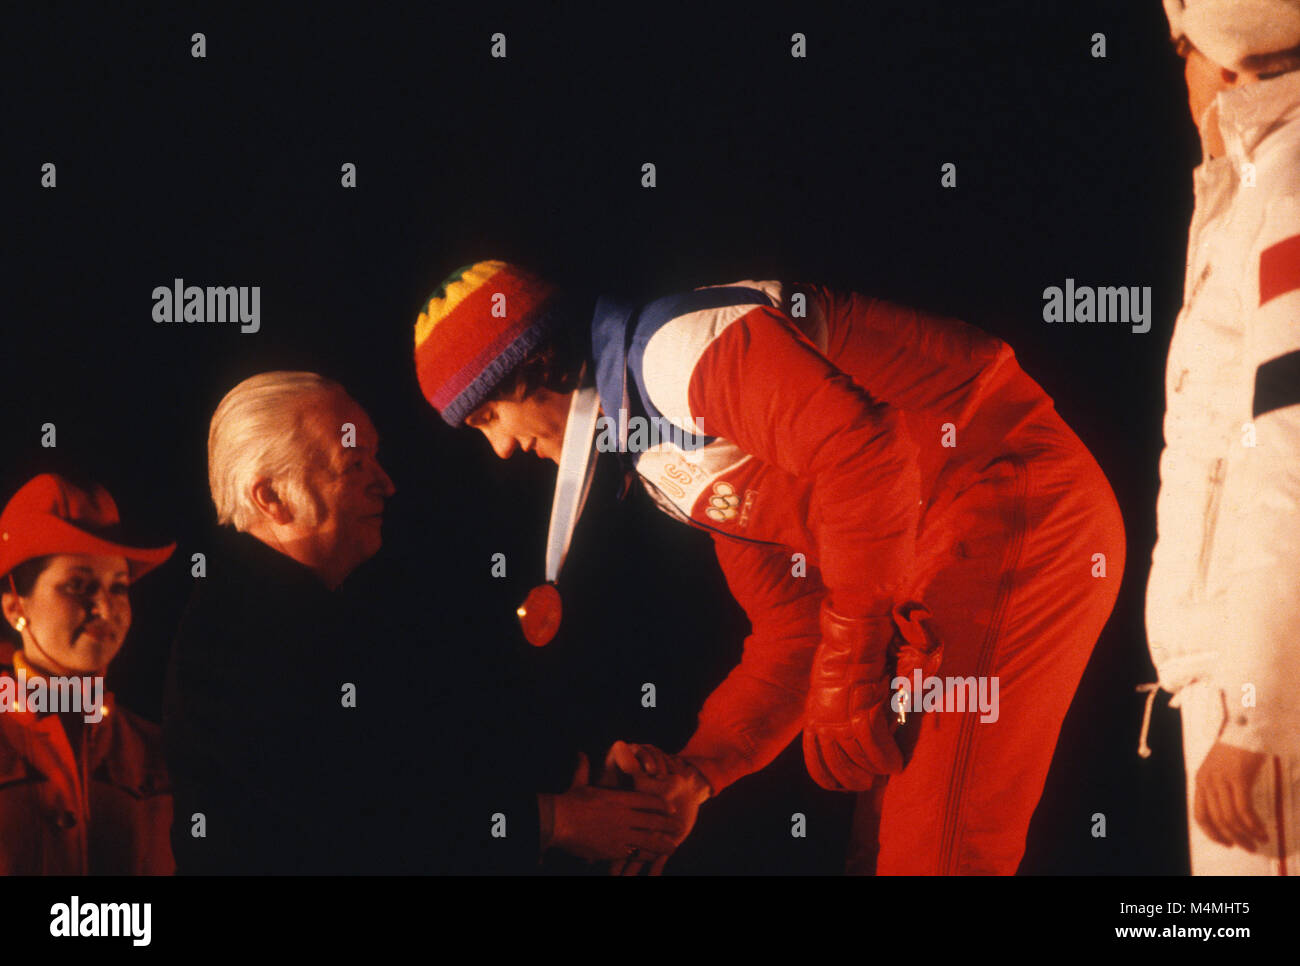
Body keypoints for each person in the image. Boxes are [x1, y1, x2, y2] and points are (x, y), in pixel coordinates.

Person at [413, 259, 1127, 874]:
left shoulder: (676, 349)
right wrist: (697, 772)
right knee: (879, 856)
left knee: (935, 854)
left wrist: (851, 664)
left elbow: (864, 454)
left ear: (530, 365)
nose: (501, 450)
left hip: (1012, 504)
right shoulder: (655, 457)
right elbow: (795, 628)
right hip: (937, 557)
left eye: (485, 420)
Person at [164, 370, 680, 873]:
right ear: (271, 497)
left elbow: (432, 757)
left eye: (376, 458)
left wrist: (575, 776)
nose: (386, 484)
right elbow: (353, 829)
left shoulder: (337, 607)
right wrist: (555, 821)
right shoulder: (230, 647)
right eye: (354, 464)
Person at [1143, 0, 1300, 875]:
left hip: (1267, 702)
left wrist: (1259, 706)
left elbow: (1291, 447)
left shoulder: (1287, 186)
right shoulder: (1263, 185)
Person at [0, 472, 176, 874]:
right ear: (15, 608)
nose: (105, 607)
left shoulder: (160, 756)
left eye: (118, 587)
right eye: (78, 586)